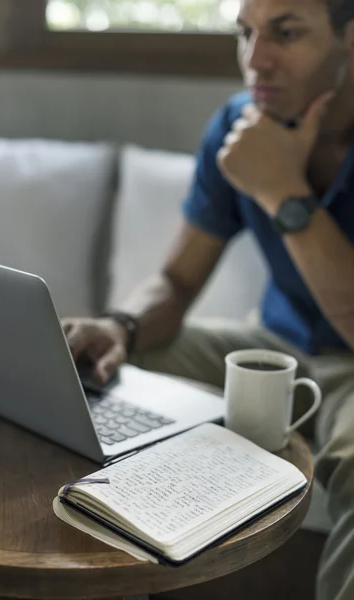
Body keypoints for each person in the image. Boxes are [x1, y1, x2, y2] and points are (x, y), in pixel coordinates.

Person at [62, 0, 354, 598]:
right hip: (272, 344)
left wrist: (282, 191)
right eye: (244, 33)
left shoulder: (260, 151)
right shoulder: (236, 125)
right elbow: (175, 282)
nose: (255, 60)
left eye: (286, 33)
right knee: (88, 370)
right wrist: (121, 324)